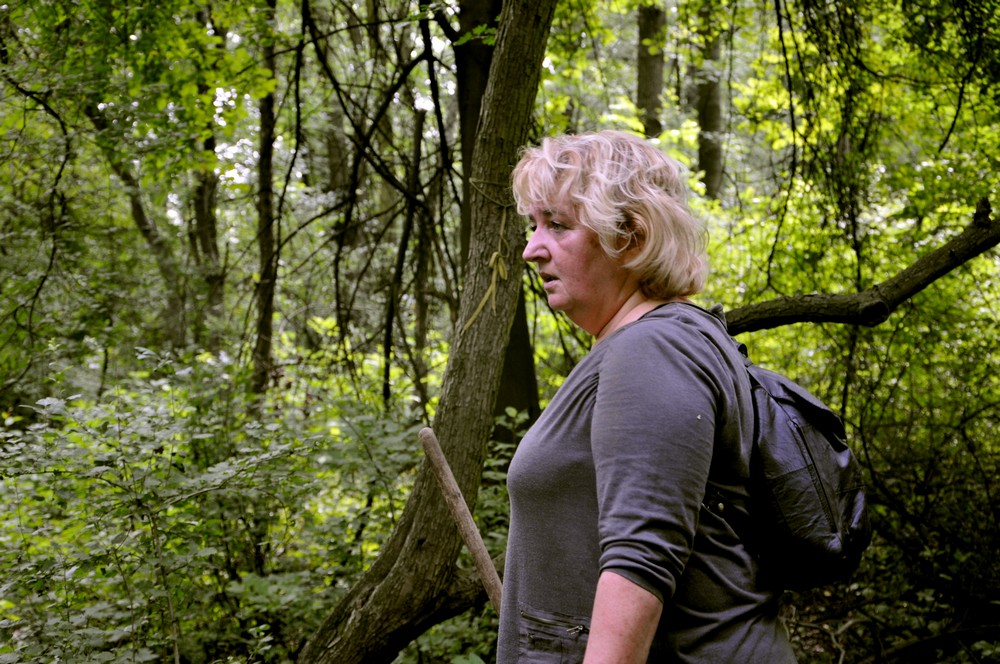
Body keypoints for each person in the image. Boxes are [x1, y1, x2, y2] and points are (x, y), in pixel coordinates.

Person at [496, 130, 797, 663]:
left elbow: (639, 564)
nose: (531, 249)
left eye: (558, 225)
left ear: (630, 237)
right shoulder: (644, 345)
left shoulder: (653, 350)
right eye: (533, 225)